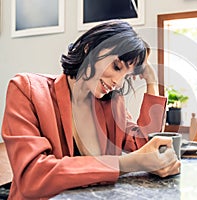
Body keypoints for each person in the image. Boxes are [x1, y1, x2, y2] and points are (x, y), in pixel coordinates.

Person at [1, 20, 180, 199]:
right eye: (116, 67)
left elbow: (145, 144)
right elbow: (32, 176)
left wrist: (151, 80)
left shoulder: (111, 103)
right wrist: (124, 164)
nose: (118, 82)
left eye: (126, 76)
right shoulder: (26, 89)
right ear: (89, 48)